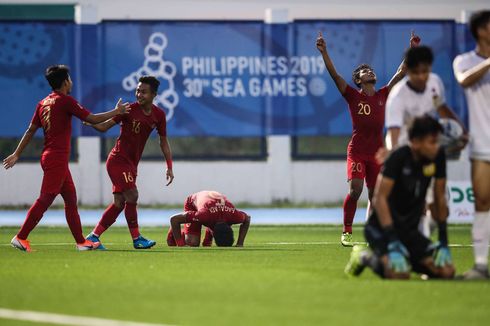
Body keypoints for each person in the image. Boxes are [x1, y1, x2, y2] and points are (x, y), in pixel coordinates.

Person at [3, 64, 130, 252]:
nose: (71, 82)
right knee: (46, 198)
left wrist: (17, 153)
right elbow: (93, 118)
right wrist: (116, 112)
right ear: (64, 82)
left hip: (50, 157)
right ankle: (21, 237)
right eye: (69, 79)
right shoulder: (65, 101)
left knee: (70, 199)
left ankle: (81, 242)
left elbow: (31, 130)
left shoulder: (43, 103)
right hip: (57, 158)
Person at [316, 30, 420, 246]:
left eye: (370, 69)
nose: (369, 70)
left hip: (376, 154)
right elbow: (335, 75)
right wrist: (324, 52)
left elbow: (402, 72)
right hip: (357, 152)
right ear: (358, 80)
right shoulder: (352, 95)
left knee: (375, 196)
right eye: (364, 70)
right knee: (355, 190)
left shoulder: (384, 93)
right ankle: (346, 231)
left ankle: (375, 232)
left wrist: (412, 49)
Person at [345, 115, 455, 280]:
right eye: (432, 142)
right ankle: (364, 256)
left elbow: (439, 197)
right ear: (416, 142)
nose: (436, 147)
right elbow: (379, 199)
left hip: (409, 231)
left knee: (447, 272)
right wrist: (392, 238)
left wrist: (443, 239)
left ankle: (412, 261)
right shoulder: (398, 157)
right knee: (398, 274)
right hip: (381, 229)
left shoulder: (437, 157)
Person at [384, 45, 468, 238]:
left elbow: (442, 107)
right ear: (408, 72)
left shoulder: (435, 83)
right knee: (414, 205)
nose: (421, 76)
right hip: (407, 153)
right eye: (416, 72)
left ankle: (427, 239)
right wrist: (393, 157)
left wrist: (461, 131)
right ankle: (414, 244)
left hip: (430, 151)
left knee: (439, 205)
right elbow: (393, 132)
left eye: (425, 71)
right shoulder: (398, 96)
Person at [84, 76, 174, 250]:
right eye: (138, 90)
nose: (139, 94)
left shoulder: (159, 115)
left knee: (119, 203)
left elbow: (163, 142)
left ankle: (93, 237)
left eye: (144, 92)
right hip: (118, 160)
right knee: (132, 195)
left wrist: (169, 166)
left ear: (154, 94)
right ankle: (137, 239)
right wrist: (91, 123)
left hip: (131, 164)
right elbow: (104, 127)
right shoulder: (128, 109)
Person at [453, 10, 490, 279]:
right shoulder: (464, 60)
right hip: (482, 144)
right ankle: (480, 265)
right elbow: (465, 80)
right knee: (482, 202)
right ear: (479, 30)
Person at [167, 190, 251, 247]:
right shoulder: (203, 215)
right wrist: (180, 244)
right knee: (192, 243)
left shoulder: (234, 215)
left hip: (210, 211)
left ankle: (207, 241)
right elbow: (174, 219)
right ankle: (172, 233)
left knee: (208, 221)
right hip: (193, 203)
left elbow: (247, 219)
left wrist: (240, 244)